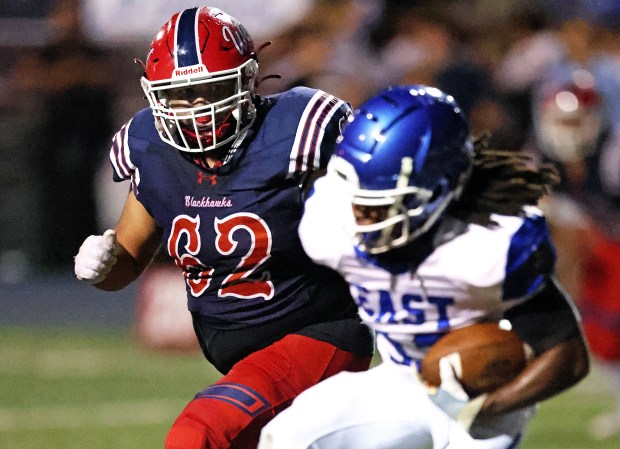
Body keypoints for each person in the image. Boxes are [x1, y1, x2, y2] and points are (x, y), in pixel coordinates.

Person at [73, 6, 374, 449]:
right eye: (180, 93)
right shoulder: (149, 148)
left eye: (208, 89)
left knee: (199, 434)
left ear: (246, 79)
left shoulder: (297, 128)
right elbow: (129, 258)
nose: (195, 107)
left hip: (319, 332)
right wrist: (105, 264)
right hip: (239, 352)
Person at [258, 85, 590, 449]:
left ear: (440, 188)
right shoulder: (328, 223)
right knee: (287, 436)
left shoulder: (489, 245)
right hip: (400, 381)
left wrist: (490, 405)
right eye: (357, 201)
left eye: (382, 205)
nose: (362, 218)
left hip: (480, 399)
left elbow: (567, 355)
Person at [532, 72, 620, 439]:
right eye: (562, 120)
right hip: (598, 260)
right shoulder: (539, 158)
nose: (568, 129)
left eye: (576, 121)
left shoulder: (613, 156)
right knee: (600, 337)